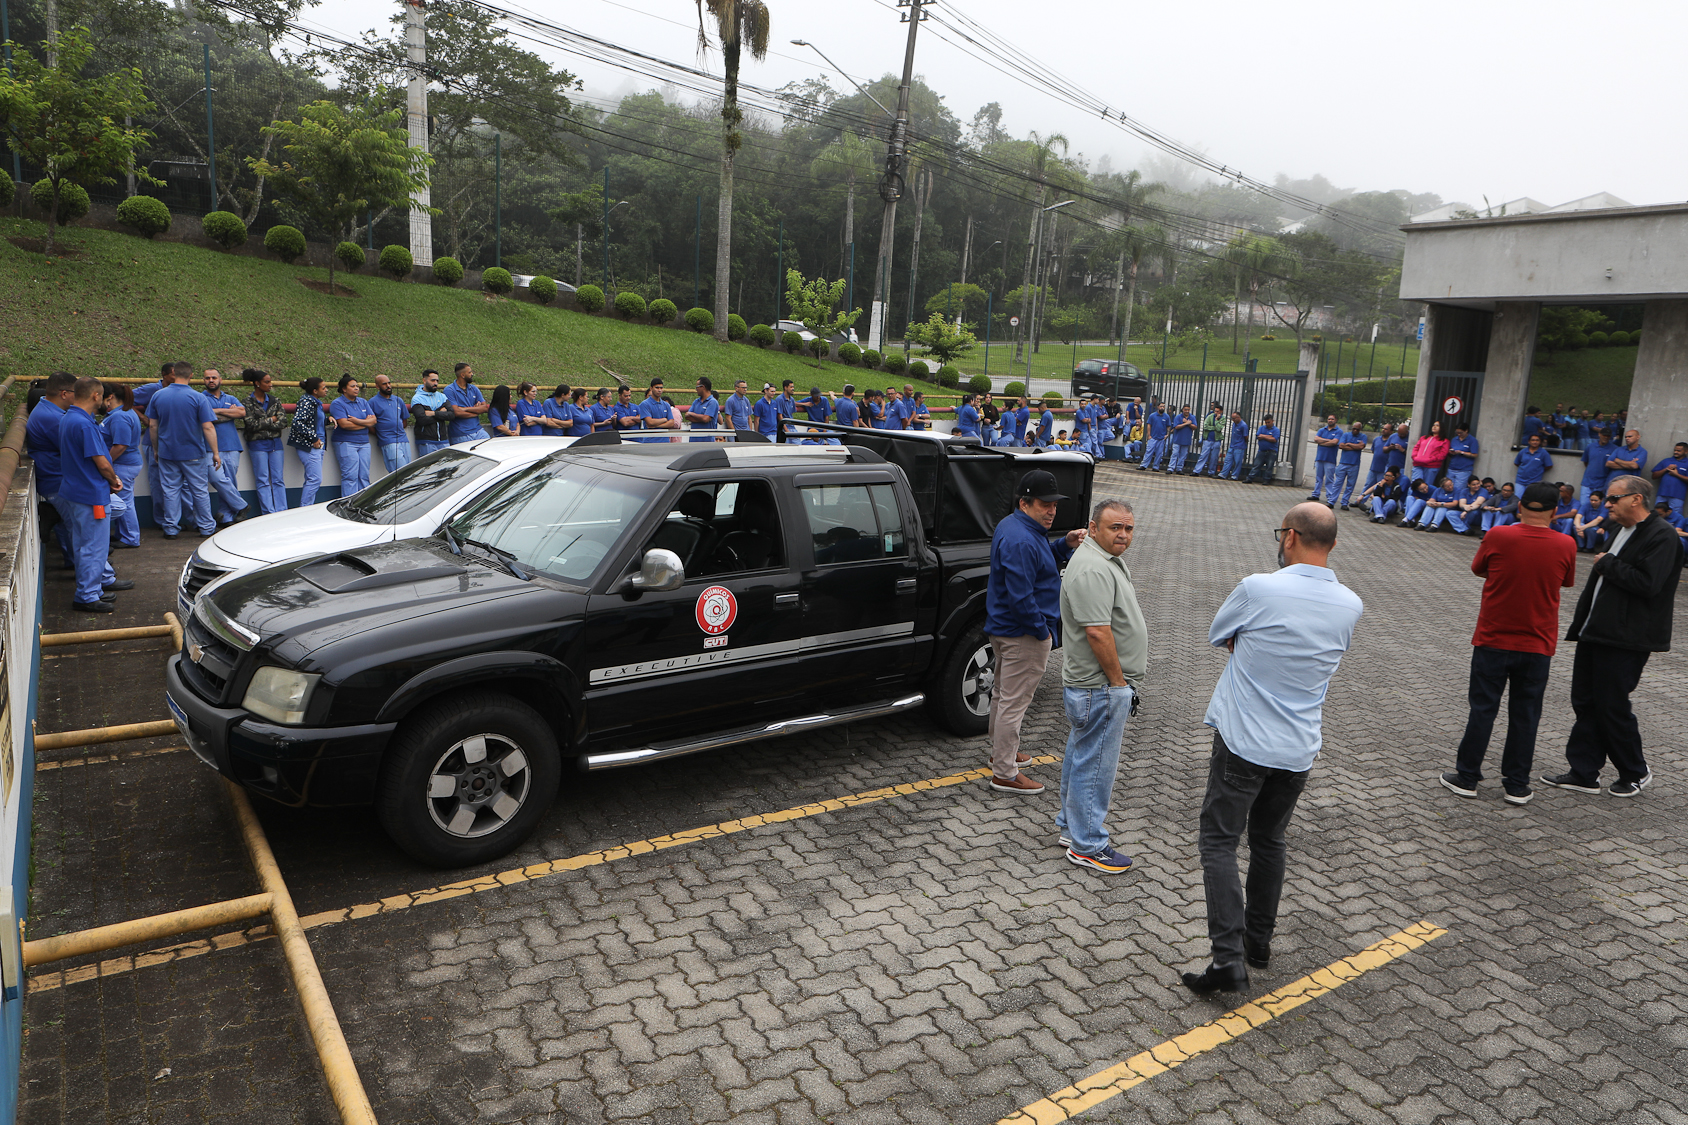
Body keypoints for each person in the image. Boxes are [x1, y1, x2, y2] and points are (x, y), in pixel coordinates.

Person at [1182, 503, 1362, 995]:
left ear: (1289, 538)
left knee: (1219, 842)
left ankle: (1228, 959)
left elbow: (1221, 634)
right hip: (1299, 747)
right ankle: (1258, 944)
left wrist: (1256, 646)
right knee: (1269, 841)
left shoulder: (1258, 587)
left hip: (1245, 741)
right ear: (1333, 543)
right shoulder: (1350, 603)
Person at [1542, 475, 1683, 797]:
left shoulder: (1662, 536)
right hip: (1597, 630)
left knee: (1612, 704)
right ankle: (1584, 772)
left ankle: (1635, 770)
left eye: (1613, 499)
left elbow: (1649, 584)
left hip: (1628, 636)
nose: (1607, 505)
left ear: (1636, 499)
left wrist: (1609, 564)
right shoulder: (1620, 529)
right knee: (1585, 701)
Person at [1439, 482, 1577, 806]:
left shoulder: (1499, 535)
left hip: (1493, 639)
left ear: (1519, 507)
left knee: (1483, 710)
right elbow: (1566, 581)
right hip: (1538, 644)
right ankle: (1517, 785)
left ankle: (1467, 777)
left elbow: (1478, 569)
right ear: (1555, 512)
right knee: (1526, 716)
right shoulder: (1566, 544)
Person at [983, 470, 1087, 795]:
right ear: (1025, 502)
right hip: (1022, 635)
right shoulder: (1021, 538)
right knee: (1013, 702)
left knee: (1002, 695)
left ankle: (1003, 754)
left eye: (1054, 505)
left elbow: (1041, 566)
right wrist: (1042, 632)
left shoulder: (1019, 527)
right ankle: (1004, 773)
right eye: (1045, 504)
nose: (1052, 511)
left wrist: (1063, 545)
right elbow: (1021, 596)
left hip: (1008, 630)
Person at [1057, 499, 1144, 874]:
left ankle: (1070, 826)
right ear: (1093, 529)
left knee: (1081, 755)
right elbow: (1097, 631)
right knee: (1095, 766)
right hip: (1099, 687)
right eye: (1114, 528)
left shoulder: (1101, 559)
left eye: (1128, 528)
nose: (1123, 535)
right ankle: (1088, 845)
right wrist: (1119, 683)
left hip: (1095, 687)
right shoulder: (1093, 568)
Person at [57, 377, 130, 613]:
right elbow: (102, 462)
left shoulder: (69, 418)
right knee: (94, 547)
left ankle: (93, 590)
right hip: (91, 494)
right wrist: (113, 480)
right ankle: (87, 595)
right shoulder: (85, 425)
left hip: (74, 491)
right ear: (95, 396)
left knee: (82, 545)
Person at [147, 364, 221, 538]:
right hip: (193, 452)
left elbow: (152, 425)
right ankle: (206, 527)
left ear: (173, 374)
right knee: (199, 490)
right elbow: (208, 427)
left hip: (167, 452)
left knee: (170, 490)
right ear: (191, 375)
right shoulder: (197, 398)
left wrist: (156, 449)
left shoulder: (158, 395)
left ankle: (171, 528)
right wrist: (215, 452)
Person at [26, 371, 77, 567]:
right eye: (76, 393)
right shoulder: (51, 417)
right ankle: (94, 575)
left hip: (55, 478)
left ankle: (74, 561)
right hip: (57, 480)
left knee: (69, 524)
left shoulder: (48, 410)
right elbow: (75, 449)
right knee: (78, 527)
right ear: (64, 393)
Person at [202, 369, 249, 526]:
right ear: (204, 380)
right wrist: (229, 412)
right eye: (208, 378)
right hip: (209, 448)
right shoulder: (200, 398)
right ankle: (242, 505)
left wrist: (216, 412)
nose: (211, 380)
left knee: (229, 481)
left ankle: (225, 516)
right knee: (217, 478)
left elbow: (242, 412)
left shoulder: (230, 397)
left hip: (232, 445)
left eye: (214, 377)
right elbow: (202, 417)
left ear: (220, 379)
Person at [100, 382, 144, 548]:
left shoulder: (120, 417)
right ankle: (123, 534)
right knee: (124, 499)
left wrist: (106, 463)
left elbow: (120, 445)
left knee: (124, 501)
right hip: (125, 463)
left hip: (123, 464)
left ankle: (131, 538)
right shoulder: (121, 414)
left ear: (109, 397)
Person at [239, 369, 288, 513]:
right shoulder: (247, 402)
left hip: (275, 444)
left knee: (278, 479)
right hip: (257, 444)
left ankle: (281, 510)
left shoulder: (275, 400)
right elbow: (251, 424)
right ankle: (268, 512)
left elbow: (283, 422)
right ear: (257, 384)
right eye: (267, 382)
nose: (270, 384)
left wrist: (264, 423)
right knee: (263, 479)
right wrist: (271, 420)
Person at [328, 375, 376, 494]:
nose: (356, 388)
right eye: (352, 386)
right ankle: (349, 503)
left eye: (357, 386)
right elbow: (344, 424)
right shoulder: (337, 403)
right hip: (346, 442)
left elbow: (374, 421)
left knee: (364, 475)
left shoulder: (363, 402)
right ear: (344, 389)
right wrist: (366, 423)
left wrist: (357, 421)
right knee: (350, 476)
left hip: (364, 442)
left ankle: (363, 502)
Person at [288, 377, 326, 506]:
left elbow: (313, 421)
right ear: (315, 391)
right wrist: (313, 438)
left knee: (312, 479)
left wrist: (328, 420)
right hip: (310, 446)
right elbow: (297, 422)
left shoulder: (316, 402)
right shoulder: (307, 402)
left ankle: (306, 507)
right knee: (315, 479)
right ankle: (305, 509)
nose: (326, 390)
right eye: (323, 388)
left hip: (318, 445)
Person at [369, 373, 413, 469]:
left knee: (408, 471)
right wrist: (382, 434)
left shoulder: (398, 400)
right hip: (388, 441)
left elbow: (404, 420)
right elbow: (369, 425)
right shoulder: (373, 402)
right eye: (384, 384)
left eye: (389, 383)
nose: (388, 386)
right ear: (377, 386)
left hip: (404, 440)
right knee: (399, 473)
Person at [444, 363, 489, 445]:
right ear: (462, 375)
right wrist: (476, 412)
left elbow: (485, 408)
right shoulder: (449, 390)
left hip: (478, 430)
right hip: (460, 433)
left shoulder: (474, 388)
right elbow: (456, 412)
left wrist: (465, 408)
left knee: (489, 448)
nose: (472, 374)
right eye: (469, 372)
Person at [1578, 427, 1616, 506]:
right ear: (1599, 434)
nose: (1606, 437)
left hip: (1602, 483)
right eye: (1604, 435)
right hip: (1587, 482)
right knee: (1583, 505)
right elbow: (1586, 461)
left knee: (1598, 507)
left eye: (1608, 436)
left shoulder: (1614, 449)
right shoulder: (1590, 446)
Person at [1332, 421, 1366, 509]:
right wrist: (1356, 446)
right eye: (1353, 428)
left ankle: (1344, 503)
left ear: (1360, 429)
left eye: (1357, 429)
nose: (1355, 430)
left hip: (1354, 465)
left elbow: (1361, 447)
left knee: (1350, 485)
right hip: (1343, 463)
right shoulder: (1346, 435)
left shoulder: (1363, 437)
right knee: (1337, 483)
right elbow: (1341, 446)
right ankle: (1331, 501)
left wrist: (1349, 444)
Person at [1650, 442, 1688, 517]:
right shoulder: (1666, 461)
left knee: (1675, 517)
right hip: (1662, 494)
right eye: (1675, 450)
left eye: (1679, 451)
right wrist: (1666, 469)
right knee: (1657, 516)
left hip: (1677, 496)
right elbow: (1654, 476)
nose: (1676, 452)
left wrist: (1676, 475)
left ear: (1686, 451)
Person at [1310, 414, 1341, 502]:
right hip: (1320, 458)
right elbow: (1316, 439)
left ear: (1335, 420)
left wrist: (1322, 441)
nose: (1330, 420)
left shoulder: (1338, 431)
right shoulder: (1322, 430)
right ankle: (1315, 494)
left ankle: (1330, 497)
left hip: (1330, 459)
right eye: (1329, 419)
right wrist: (1329, 441)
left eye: (1332, 419)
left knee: (1329, 479)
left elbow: (1335, 442)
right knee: (1318, 478)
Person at [1409, 420, 1448, 486]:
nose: (1434, 427)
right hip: (1418, 464)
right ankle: (1411, 496)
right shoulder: (1423, 438)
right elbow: (1416, 448)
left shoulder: (1444, 441)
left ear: (1442, 428)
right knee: (1415, 484)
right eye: (1434, 425)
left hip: (1431, 466)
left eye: (1437, 425)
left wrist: (1430, 459)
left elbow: (1442, 454)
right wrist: (1414, 457)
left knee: (1427, 486)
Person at [1445, 424, 1479, 494]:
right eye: (1457, 432)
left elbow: (1474, 454)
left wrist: (1461, 452)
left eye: (1461, 432)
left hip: (1464, 470)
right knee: (1448, 487)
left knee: (1458, 490)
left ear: (1466, 431)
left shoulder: (1472, 440)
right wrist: (1451, 452)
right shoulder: (1454, 439)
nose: (1459, 434)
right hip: (1452, 467)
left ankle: (1456, 503)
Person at [1247, 414, 1279, 483]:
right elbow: (1258, 436)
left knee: (1269, 467)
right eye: (1266, 422)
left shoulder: (1276, 430)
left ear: (1272, 421)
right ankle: (1250, 478)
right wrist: (1269, 437)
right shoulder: (1262, 428)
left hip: (1272, 451)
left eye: (1269, 422)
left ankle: (1266, 480)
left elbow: (1274, 439)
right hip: (1262, 451)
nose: (1267, 424)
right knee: (1256, 465)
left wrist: (1264, 436)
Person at [1364, 423, 1396, 493]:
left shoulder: (1391, 442)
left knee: (1380, 488)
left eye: (1386, 429)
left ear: (1391, 431)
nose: (1383, 430)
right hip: (1373, 468)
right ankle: (1360, 501)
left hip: (1383, 470)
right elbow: (1373, 451)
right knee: (1368, 485)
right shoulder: (1376, 439)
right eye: (1383, 428)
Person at [687, 378, 721, 442]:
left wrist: (693, 414)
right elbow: (687, 416)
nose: (696, 389)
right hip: (694, 440)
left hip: (707, 440)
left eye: (697, 387)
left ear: (703, 387)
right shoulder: (696, 401)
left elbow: (706, 419)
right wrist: (701, 419)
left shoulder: (713, 402)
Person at [1195, 404, 1225, 477]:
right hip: (1207, 439)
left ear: (1221, 412)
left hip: (1216, 440)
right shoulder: (1209, 416)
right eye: (1215, 411)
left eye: (1217, 411)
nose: (1215, 413)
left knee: (1214, 458)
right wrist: (1214, 427)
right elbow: (1205, 427)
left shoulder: (1223, 419)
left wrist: (1216, 420)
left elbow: (1219, 428)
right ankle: (1196, 471)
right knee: (1203, 456)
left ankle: (1211, 472)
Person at [1139, 402, 1171, 470]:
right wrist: (1149, 435)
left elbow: (1168, 426)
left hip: (1161, 438)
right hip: (1153, 437)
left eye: (1163, 406)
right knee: (1148, 452)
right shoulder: (1152, 415)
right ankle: (1144, 465)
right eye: (1161, 406)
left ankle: (1156, 467)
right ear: (1158, 407)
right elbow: (1149, 425)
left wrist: (1167, 434)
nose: (1162, 408)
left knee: (1159, 454)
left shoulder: (1166, 416)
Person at [1221, 411, 1249, 481]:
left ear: (1238, 417)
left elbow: (1246, 436)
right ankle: (1223, 474)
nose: (1233, 420)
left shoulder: (1243, 425)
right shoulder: (1234, 424)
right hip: (1232, 445)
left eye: (1234, 418)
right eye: (1232, 418)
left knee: (1237, 462)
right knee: (1227, 460)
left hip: (1239, 446)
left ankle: (1234, 476)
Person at [1167, 406, 1196, 473]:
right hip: (1177, 439)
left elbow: (1195, 427)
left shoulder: (1192, 417)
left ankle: (1179, 469)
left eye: (1188, 409)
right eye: (1185, 409)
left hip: (1186, 440)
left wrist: (1189, 424)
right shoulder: (1178, 417)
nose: (1187, 411)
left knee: (1183, 455)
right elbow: (1176, 427)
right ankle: (1171, 468)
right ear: (1183, 409)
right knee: (1175, 454)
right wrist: (1186, 423)